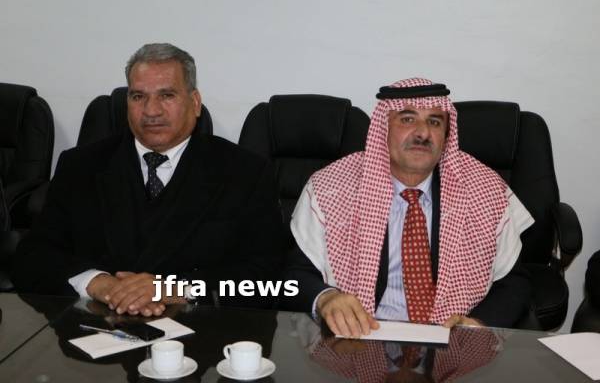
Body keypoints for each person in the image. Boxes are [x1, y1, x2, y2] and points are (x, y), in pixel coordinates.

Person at [12, 43, 285, 316]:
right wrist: (96, 282)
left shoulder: (245, 172)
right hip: (97, 328)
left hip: (198, 333)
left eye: (167, 95)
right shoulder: (80, 166)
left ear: (194, 103)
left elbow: (267, 279)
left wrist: (177, 289)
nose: (151, 111)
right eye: (138, 96)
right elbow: (33, 257)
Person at [282, 78, 534, 337]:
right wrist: (325, 298)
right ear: (383, 128)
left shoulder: (485, 189)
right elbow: (295, 275)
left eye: (434, 122)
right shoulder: (331, 186)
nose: (423, 133)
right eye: (407, 119)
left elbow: (514, 282)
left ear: (446, 136)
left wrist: (479, 323)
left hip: (451, 337)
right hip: (360, 334)